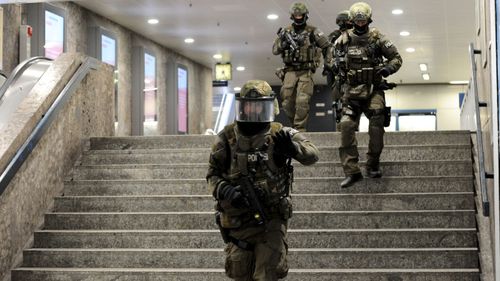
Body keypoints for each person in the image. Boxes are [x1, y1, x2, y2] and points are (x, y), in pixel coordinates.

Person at [207, 80, 319, 280]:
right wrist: (226, 190)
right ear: (242, 106)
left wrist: (293, 149)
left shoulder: (279, 134)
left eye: (259, 106)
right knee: (240, 272)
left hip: (271, 221)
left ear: (269, 107)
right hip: (238, 222)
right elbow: (212, 175)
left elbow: (312, 154)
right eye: (249, 106)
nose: (254, 110)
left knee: (267, 273)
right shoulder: (226, 138)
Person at [334, 2, 402, 188]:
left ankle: (372, 164)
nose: (361, 22)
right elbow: (334, 62)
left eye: (363, 19)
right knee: (346, 126)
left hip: (373, 90)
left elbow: (397, 58)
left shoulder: (377, 37)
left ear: (368, 19)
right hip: (351, 91)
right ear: (352, 20)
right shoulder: (343, 39)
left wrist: (387, 69)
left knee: (376, 124)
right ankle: (352, 171)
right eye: (357, 19)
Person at [272, 2, 333, 132]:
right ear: (292, 16)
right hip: (289, 71)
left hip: (306, 71)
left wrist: (328, 64)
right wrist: (283, 44)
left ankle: (300, 129)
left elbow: (327, 46)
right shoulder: (286, 31)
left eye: (300, 15)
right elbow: (275, 50)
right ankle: (295, 125)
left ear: (305, 15)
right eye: (296, 15)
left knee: (302, 101)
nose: (298, 17)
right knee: (287, 102)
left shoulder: (313, 31)